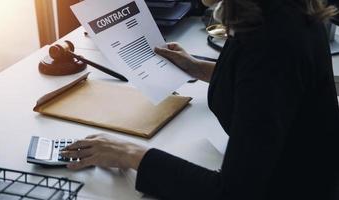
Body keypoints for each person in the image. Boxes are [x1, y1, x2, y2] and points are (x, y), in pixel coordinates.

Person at [61, 0, 339, 199]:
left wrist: (130, 154)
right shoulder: (277, 11)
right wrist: (196, 67)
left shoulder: (272, 45)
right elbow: (267, 88)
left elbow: (231, 193)